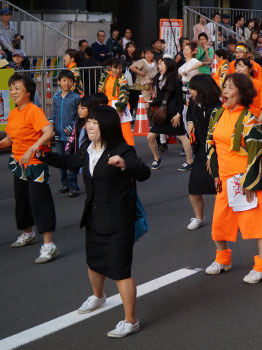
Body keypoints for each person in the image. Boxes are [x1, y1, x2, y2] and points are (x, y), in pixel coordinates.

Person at [39, 105, 150, 337]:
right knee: (94, 261)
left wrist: (124, 164)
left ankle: (131, 320)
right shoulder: (88, 149)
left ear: (106, 126)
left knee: (120, 270)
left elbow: (143, 171)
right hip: (94, 216)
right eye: (88, 122)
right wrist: (47, 156)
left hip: (119, 219)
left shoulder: (122, 149)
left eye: (94, 123)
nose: (88, 126)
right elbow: (71, 162)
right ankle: (99, 296)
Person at [205, 73, 262, 284]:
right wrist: (215, 173)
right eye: (224, 86)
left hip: (244, 178)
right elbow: (211, 142)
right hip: (225, 178)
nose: (225, 90)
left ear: (241, 93)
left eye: (230, 87)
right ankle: (223, 259)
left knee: (256, 223)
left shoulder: (249, 119)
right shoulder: (217, 113)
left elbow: (257, 151)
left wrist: (250, 181)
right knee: (219, 222)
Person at [0, 74, 57, 263]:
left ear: (28, 92)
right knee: (22, 200)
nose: (13, 92)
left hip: (36, 164)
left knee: (40, 201)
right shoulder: (14, 113)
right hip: (19, 164)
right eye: (12, 88)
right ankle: (28, 233)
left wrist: (33, 148)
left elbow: (48, 132)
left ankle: (49, 245)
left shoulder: (34, 111)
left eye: (17, 88)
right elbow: (10, 139)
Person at [235, 58, 262, 198]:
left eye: (241, 66)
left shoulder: (258, 84)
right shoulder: (234, 85)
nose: (238, 69)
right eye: (236, 67)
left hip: (256, 124)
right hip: (239, 124)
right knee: (241, 156)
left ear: (249, 69)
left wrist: (257, 123)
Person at [184, 75, 221, 230]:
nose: (189, 91)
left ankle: (224, 218)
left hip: (216, 151)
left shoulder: (217, 108)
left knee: (216, 189)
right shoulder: (193, 101)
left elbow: (219, 135)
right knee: (194, 187)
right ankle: (199, 217)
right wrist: (191, 122)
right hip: (200, 149)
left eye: (192, 88)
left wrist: (212, 157)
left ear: (201, 89)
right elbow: (190, 114)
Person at [147, 58, 193, 171]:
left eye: (161, 64)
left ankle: (190, 161)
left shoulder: (176, 81)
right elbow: (159, 98)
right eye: (159, 64)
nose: (159, 67)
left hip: (173, 115)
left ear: (169, 66)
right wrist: (150, 103)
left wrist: (178, 114)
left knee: (182, 137)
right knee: (150, 137)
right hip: (162, 115)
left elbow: (180, 100)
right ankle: (157, 159)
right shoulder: (159, 79)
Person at [50, 69, 81, 197]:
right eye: (64, 80)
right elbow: (55, 113)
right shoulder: (56, 97)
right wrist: (50, 122)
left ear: (73, 83)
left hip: (70, 136)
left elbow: (80, 116)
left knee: (70, 161)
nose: (67, 83)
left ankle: (74, 187)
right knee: (60, 161)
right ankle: (65, 184)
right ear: (59, 82)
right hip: (57, 135)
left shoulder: (76, 97)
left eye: (69, 81)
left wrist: (73, 126)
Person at [97, 58, 134, 146]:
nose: (118, 71)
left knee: (125, 130)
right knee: (108, 129)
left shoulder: (122, 79)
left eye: (120, 68)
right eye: (115, 68)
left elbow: (124, 94)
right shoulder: (104, 76)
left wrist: (120, 109)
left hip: (120, 105)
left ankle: (129, 149)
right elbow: (100, 91)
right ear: (110, 67)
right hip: (107, 105)